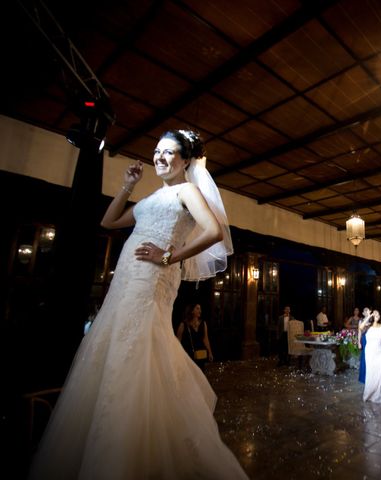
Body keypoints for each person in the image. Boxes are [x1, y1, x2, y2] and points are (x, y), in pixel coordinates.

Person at [28, 129, 247, 479]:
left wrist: (168, 256)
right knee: (116, 344)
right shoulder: (148, 200)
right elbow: (109, 221)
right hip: (126, 282)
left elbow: (213, 231)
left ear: (186, 160)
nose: (159, 157)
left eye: (168, 152)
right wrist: (128, 185)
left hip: (151, 280)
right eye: (156, 151)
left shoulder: (187, 191)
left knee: (139, 344)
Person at [362, 310, 381, 403]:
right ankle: (369, 394)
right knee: (371, 373)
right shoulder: (368, 326)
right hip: (369, 352)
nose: (376, 314)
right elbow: (360, 327)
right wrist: (368, 317)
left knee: (380, 372)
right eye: (374, 313)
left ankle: (380, 394)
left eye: (378, 313)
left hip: (380, 353)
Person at [176, 303, 214, 370]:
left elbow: (206, 339)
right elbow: (178, 341)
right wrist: (178, 355)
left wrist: (210, 352)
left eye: (200, 309)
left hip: (201, 354)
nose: (200, 311)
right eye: (197, 308)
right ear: (192, 311)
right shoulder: (183, 325)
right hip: (189, 355)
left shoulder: (203, 324)